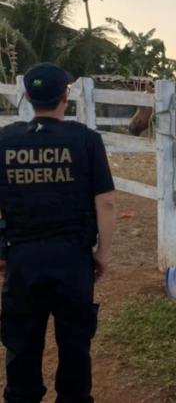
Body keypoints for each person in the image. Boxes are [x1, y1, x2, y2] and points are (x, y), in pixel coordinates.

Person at [0, 63, 116, 403]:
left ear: (26, 97)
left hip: (22, 258)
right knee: (75, 344)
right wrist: (102, 256)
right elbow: (106, 204)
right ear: (66, 96)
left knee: (21, 344)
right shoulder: (86, 140)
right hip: (72, 258)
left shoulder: (4, 141)